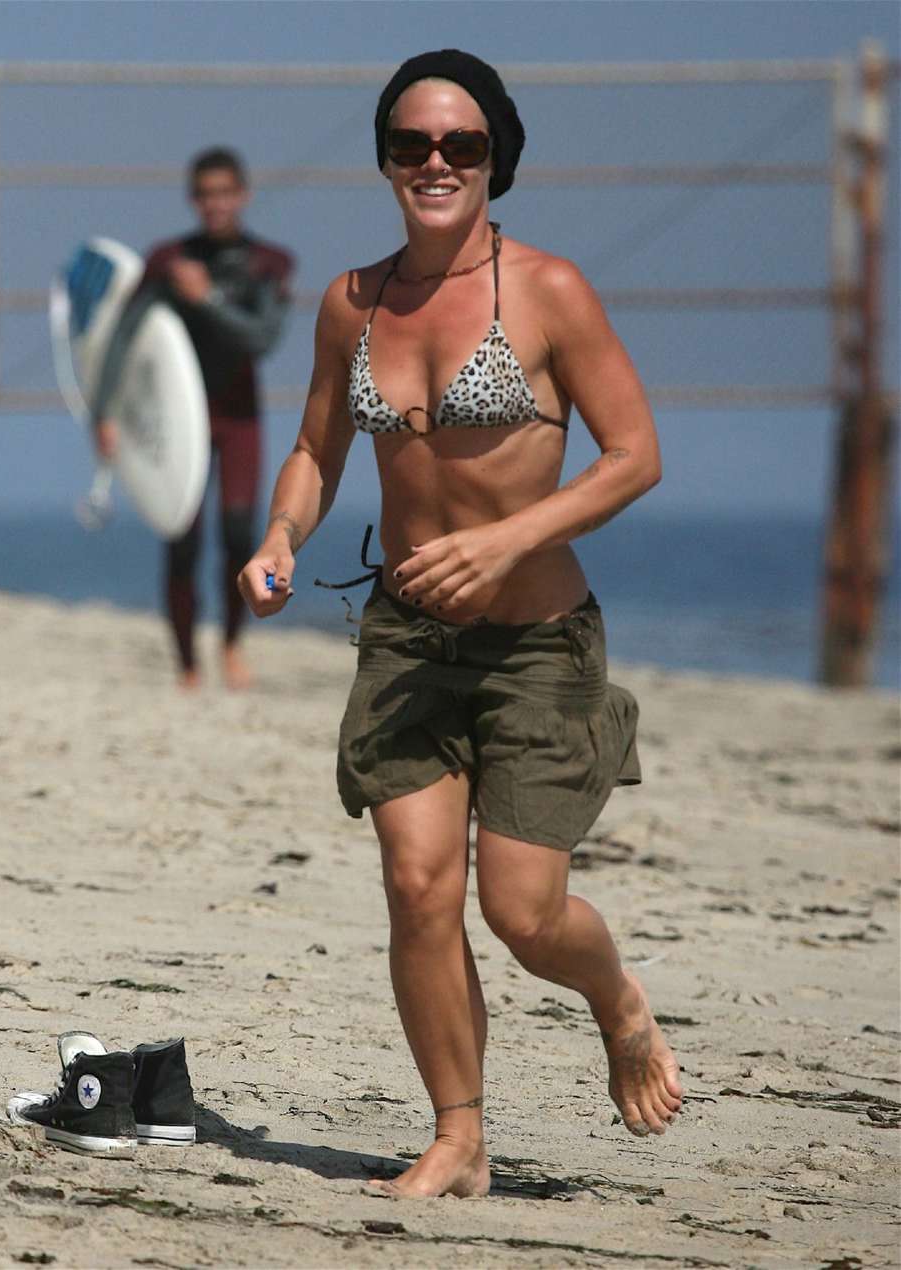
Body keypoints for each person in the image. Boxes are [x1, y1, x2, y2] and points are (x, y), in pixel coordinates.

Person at [239, 49, 682, 1199]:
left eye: (461, 145)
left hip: (536, 643)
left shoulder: (548, 290)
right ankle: (459, 1136)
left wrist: (506, 538)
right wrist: (281, 535)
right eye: (412, 143)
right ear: (387, 158)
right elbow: (315, 450)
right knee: (417, 886)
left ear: (496, 159)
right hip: (407, 642)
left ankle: (617, 1000)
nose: (434, 162)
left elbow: (634, 455)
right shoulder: (352, 301)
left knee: (522, 913)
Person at [92, 147, 295, 689]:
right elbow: (123, 337)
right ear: (193, 199)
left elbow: (263, 339)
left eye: (225, 193)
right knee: (181, 537)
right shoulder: (167, 261)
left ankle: (231, 643)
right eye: (206, 194)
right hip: (176, 418)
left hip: (239, 415)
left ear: (243, 196)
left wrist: (206, 299)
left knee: (239, 535)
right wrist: (104, 413)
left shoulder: (269, 264)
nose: (215, 204)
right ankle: (186, 663)